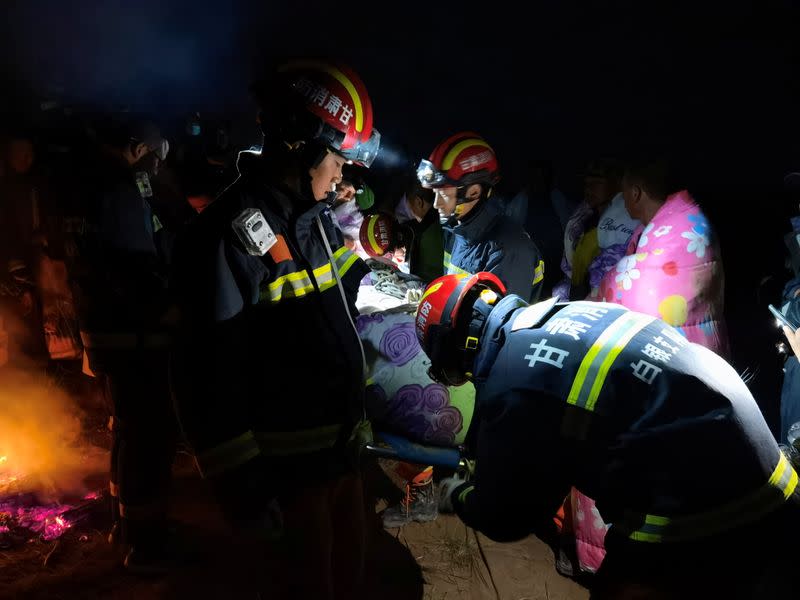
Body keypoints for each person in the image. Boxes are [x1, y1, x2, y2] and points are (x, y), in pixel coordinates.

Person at [416, 272, 800, 598]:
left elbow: (506, 516)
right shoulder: (561, 313)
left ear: (454, 351)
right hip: (767, 466)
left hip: (705, 508)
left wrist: (461, 495)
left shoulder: (513, 383)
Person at [170, 59, 380, 599]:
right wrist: (242, 489)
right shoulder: (228, 235)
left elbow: (336, 296)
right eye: (336, 157)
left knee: (348, 584)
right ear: (297, 145)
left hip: (339, 457)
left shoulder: (314, 219)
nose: (342, 174)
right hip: (288, 478)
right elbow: (204, 375)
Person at [70, 117, 177, 573]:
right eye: (154, 155)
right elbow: (139, 267)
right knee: (148, 434)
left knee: (126, 429)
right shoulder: (122, 191)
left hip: (106, 330)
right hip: (132, 334)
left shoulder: (91, 184)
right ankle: (146, 543)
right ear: (138, 150)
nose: (156, 166)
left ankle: (123, 522)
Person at [596, 158, 729, 356]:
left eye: (623, 193)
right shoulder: (688, 216)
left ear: (635, 193)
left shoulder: (670, 231)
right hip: (707, 348)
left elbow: (639, 286)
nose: (622, 201)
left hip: (679, 355)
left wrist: (594, 297)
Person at [416, 132, 544, 302]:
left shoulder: (510, 250)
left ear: (473, 192)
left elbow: (502, 326)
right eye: (435, 193)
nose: (436, 204)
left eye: (444, 195)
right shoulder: (456, 231)